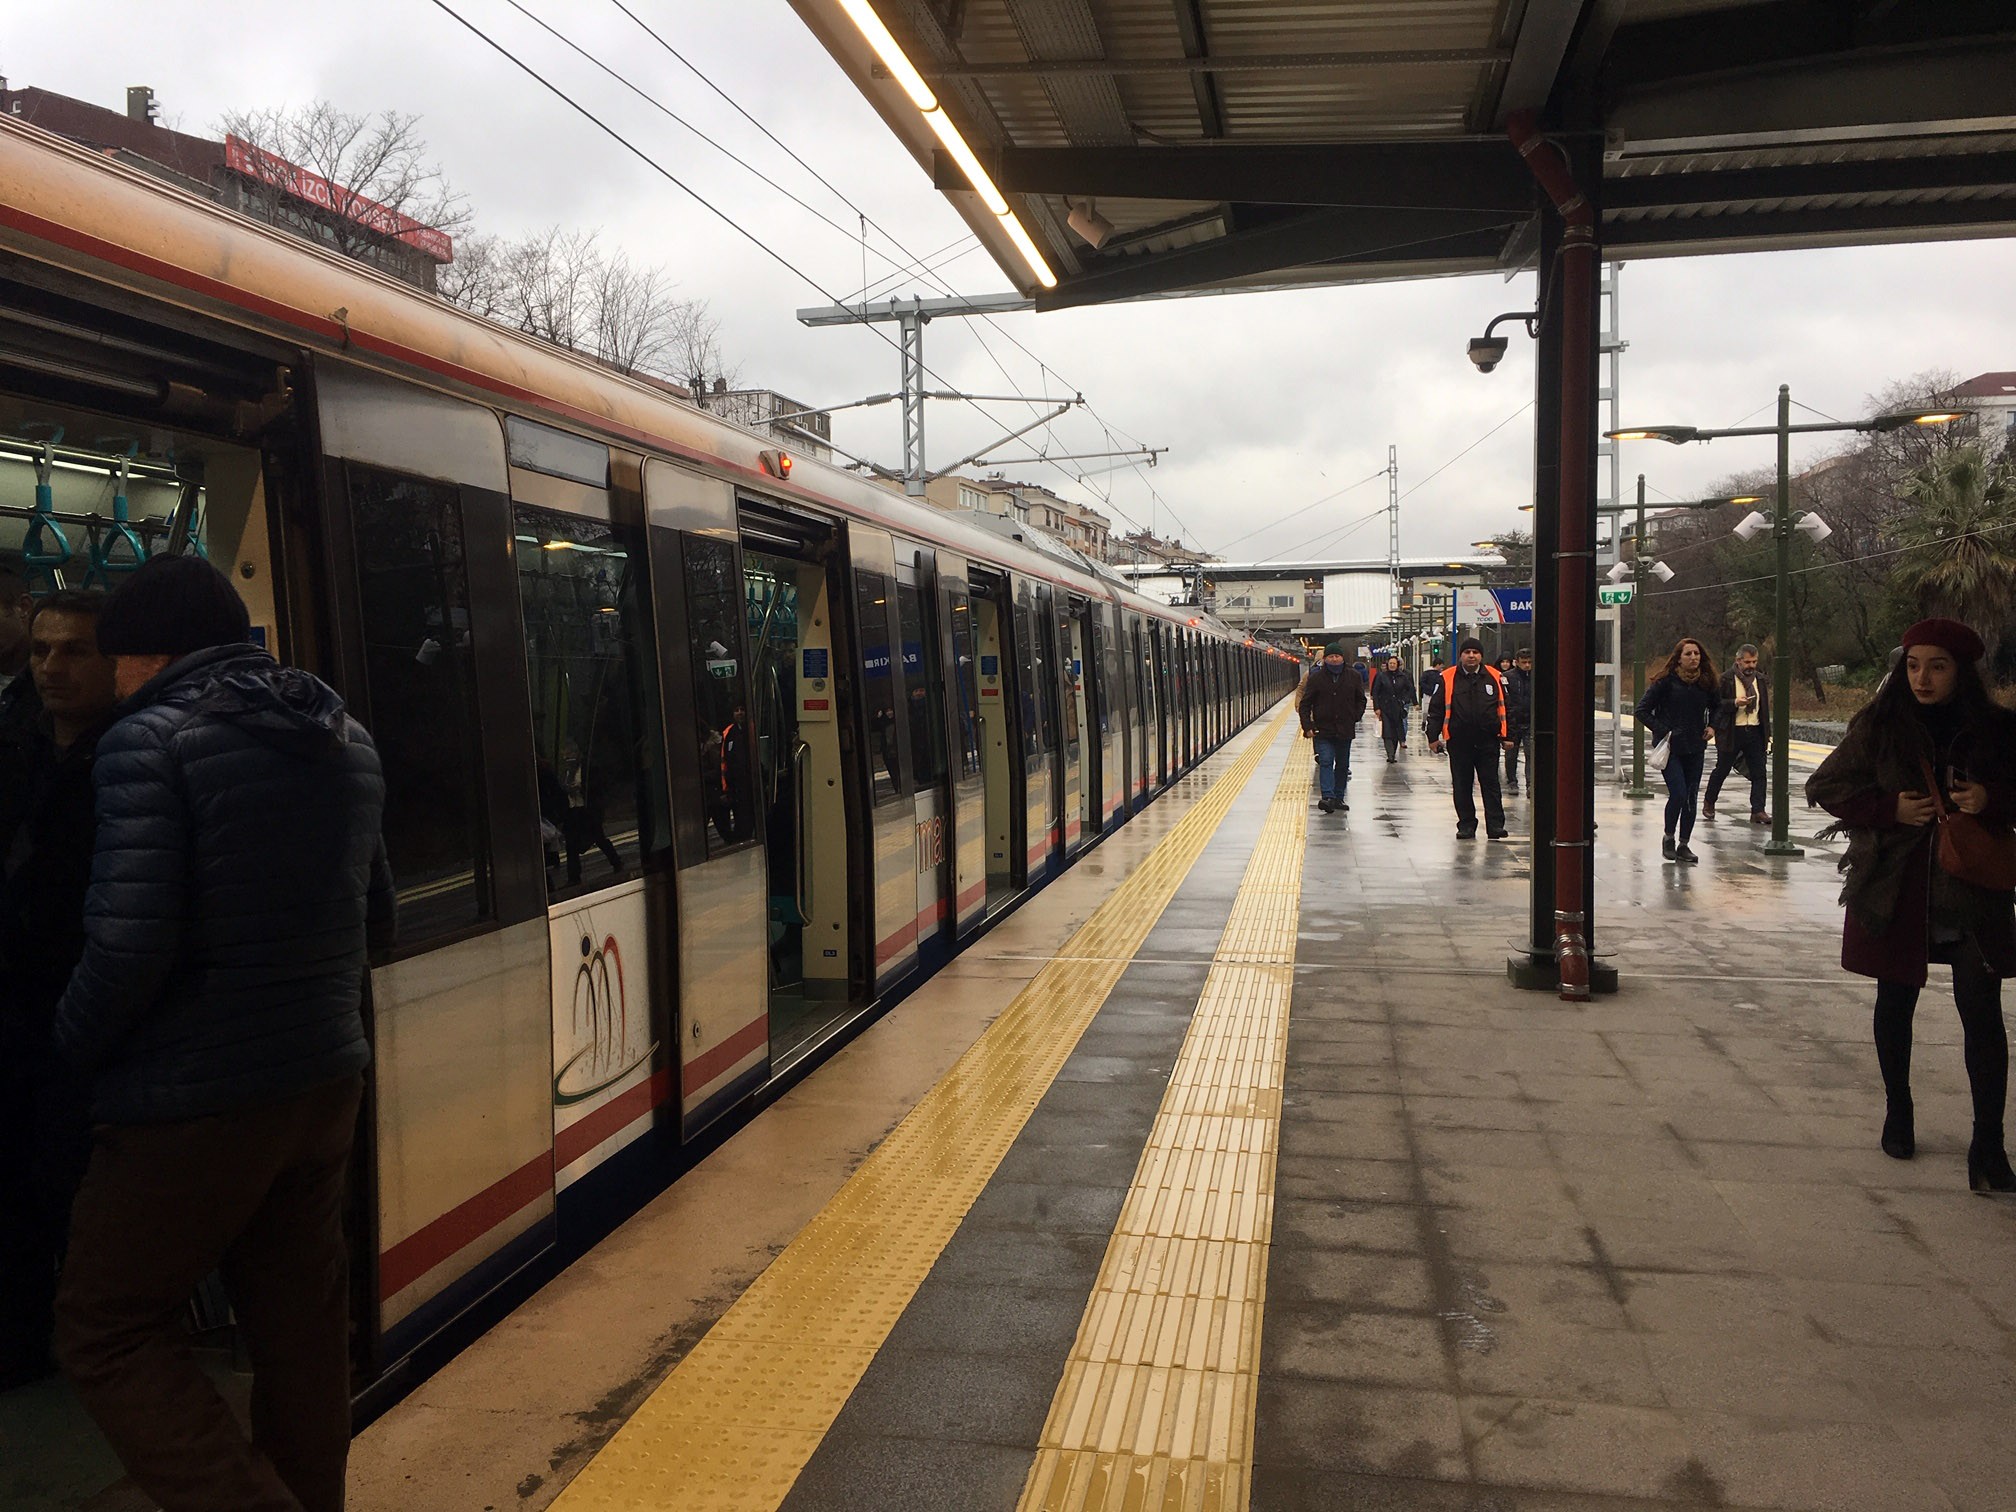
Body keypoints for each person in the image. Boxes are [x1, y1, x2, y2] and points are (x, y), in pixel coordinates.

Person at [49, 554, 394, 1512]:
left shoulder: (145, 742)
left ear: (143, 654)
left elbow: (126, 948)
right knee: (298, 1331)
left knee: (103, 1327)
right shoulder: (344, 737)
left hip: (192, 1097)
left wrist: (65, 1047)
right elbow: (379, 908)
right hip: (323, 1078)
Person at [1807, 617, 2016, 1193]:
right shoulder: (1881, 724)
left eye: (1938, 666)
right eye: (1914, 664)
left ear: (1961, 672)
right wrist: (1887, 810)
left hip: (1971, 892)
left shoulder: (1997, 730)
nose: (1922, 677)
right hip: (1895, 889)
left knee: (1983, 1016)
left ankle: (1989, 1145)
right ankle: (1898, 1112)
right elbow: (1824, 787)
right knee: (1895, 1003)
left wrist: (1992, 798)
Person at [0, 590, 117, 1389]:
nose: (53, 667)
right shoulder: (15, 744)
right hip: (14, 1005)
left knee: (69, 1188)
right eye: (42, 649)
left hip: (88, 1014)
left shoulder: (130, 756)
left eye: (74, 650)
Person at [1636, 637, 1720, 864]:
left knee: (1691, 797)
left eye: (1696, 654)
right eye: (1688, 654)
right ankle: (1668, 837)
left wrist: (1713, 725)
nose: (1694, 658)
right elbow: (1642, 710)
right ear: (1678, 658)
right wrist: (1664, 731)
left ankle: (1684, 844)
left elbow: (1718, 707)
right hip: (1671, 748)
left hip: (1695, 746)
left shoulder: (1706, 681)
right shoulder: (1665, 682)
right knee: (1679, 793)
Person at [1424, 638, 1513, 840]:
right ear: (1461, 655)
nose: (1471, 655)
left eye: (1475, 652)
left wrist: (1509, 736)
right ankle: (1466, 825)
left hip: (1488, 740)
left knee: (1491, 785)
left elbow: (1507, 708)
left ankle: (1495, 826)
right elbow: (1436, 710)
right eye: (1467, 652)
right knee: (1462, 785)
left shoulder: (1495, 677)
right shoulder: (1446, 678)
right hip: (1459, 741)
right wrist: (1433, 737)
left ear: (1481, 655)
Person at [1296, 641, 1366, 814]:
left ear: (1342, 658)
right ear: (1325, 659)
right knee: (1326, 761)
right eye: (1330, 656)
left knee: (1342, 764)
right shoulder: (1316, 678)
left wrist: (1354, 717)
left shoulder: (1353, 676)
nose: (1334, 659)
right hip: (1323, 729)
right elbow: (1306, 704)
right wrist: (1308, 726)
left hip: (1345, 729)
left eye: (1337, 656)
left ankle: (1338, 797)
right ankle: (1327, 796)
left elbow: (1361, 700)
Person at [1704, 643, 1769, 825]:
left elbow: (1764, 709)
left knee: (1759, 772)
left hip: (1754, 730)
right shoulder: (1726, 679)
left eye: (1754, 662)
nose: (1751, 666)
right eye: (1747, 662)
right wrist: (1734, 702)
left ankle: (1758, 810)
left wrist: (1767, 733)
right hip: (1731, 731)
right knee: (1722, 769)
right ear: (1738, 661)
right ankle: (1709, 802)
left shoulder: (1760, 680)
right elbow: (1716, 705)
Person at [1370, 655, 1414, 763]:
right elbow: (1375, 692)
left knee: (1396, 731)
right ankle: (1390, 754)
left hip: (1398, 707)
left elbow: (1410, 689)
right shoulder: (1381, 676)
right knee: (1387, 730)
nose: (1392, 665)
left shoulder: (1403, 677)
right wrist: (1377, 707)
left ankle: (1393, 751)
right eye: (1390, 663)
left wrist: (1405, 700)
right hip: (1385, 707)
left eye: (1394, 663)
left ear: (1397, 665)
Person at [1503, 647, 1534, 797]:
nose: (1527, 665)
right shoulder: (1508, 678)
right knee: (1511, 754)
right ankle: (1512, 781)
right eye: (1524, 662)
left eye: (1529, 662)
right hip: (1513, 721)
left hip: (1530, 721)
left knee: (1531, 753)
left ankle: (1530, 783)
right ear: (1517, 662)